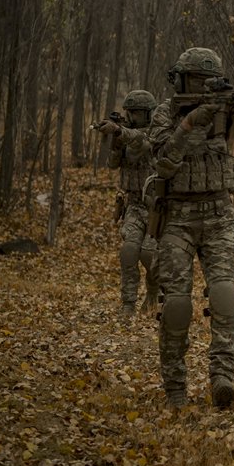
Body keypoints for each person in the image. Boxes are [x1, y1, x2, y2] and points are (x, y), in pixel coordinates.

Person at [149, 47, 234, 409]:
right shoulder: (165, 114)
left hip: (218, 212)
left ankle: (222, 377)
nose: (201, 87)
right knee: (177, 305)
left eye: (207, 82)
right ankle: (175, 388)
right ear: (182, 81)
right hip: (178, 216)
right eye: (195, 81)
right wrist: (190, 124)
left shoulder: (226, 111)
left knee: (224, 295)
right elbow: (162, 162)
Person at [93, 90, 161, 317]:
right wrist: (115, 140)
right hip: (133, 204)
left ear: (147, 114)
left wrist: (121, 131)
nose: (131, 117)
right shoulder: (124, 135)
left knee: (148, 254)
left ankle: (153, 293)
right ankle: (128, 303)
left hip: (155, 206)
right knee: (129, 251)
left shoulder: (156, 132)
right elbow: (113, 164)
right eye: (129, 113)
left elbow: (142, 142)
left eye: (136, 113)